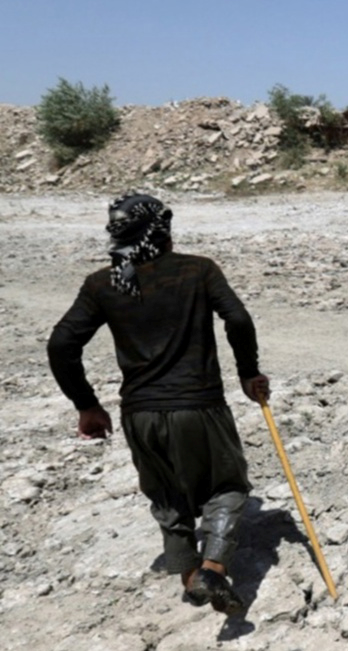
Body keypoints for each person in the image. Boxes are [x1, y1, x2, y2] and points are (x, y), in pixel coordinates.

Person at [47, 192, 270, 614]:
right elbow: (237, 319)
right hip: (199, 406)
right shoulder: (199, 269)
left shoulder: (104, 283)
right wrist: (248, 371)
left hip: (140, 414)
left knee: (168, 498)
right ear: (164, 228)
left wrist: (86, 405)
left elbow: (61, 344)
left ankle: (191, 577)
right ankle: (214, 567)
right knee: (228, 486)